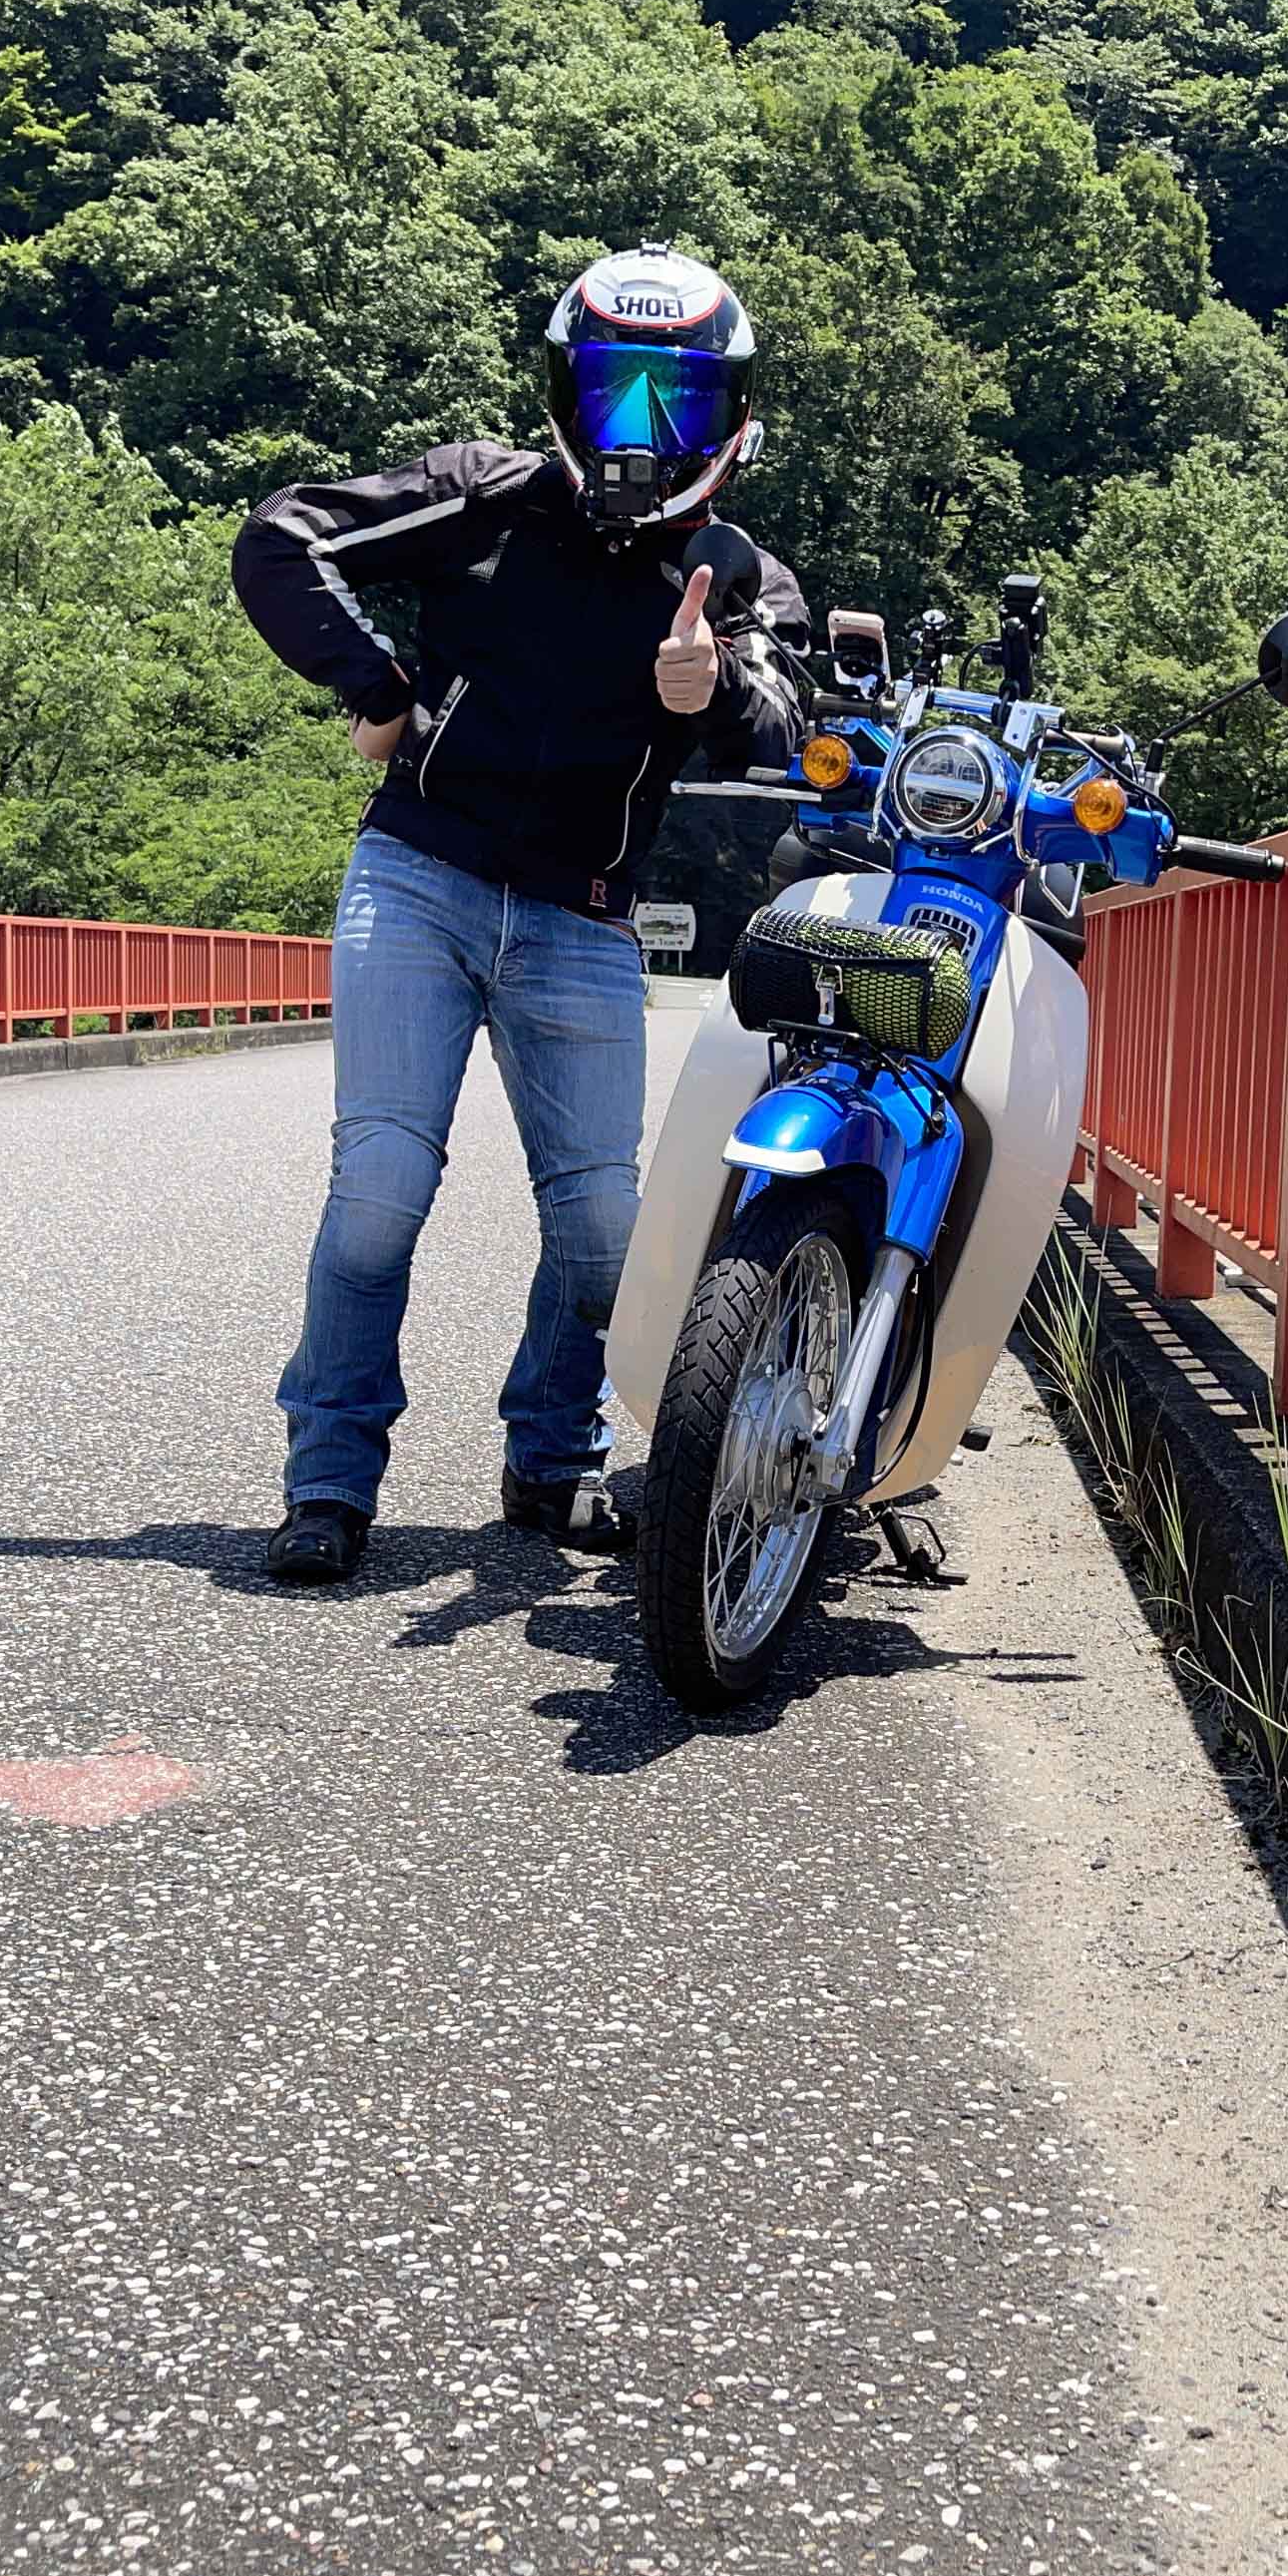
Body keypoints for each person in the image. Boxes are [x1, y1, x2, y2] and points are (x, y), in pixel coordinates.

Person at [230, 242, 813, 1586]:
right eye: (618, 397)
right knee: (378, 1192)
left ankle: (548, 1459)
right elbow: (283, 538)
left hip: (585, 915)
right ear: (565, 390)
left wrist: (706, 688)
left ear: (730, 414)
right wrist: (376, 686)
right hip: (418, 877)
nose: (646, 436)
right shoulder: (479, 494)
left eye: (680, 402)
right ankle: (329, 1477)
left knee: (600, 1228)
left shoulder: (731, 568)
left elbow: (787, 718)